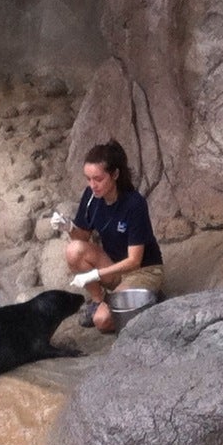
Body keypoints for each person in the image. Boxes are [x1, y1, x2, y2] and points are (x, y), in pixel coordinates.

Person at [50, 139, 164, 333]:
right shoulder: (91, 197)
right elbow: (82, 238)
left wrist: (95, 274)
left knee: (103, 321)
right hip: (113, 267)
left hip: (143, 271)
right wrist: (68, 227)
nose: (92, 185)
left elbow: (135, 261)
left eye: (98, 179)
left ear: (115, 175)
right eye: (88, 179)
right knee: (74, 249)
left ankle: (149, 300)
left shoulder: (134, 204)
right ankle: (98, 301)